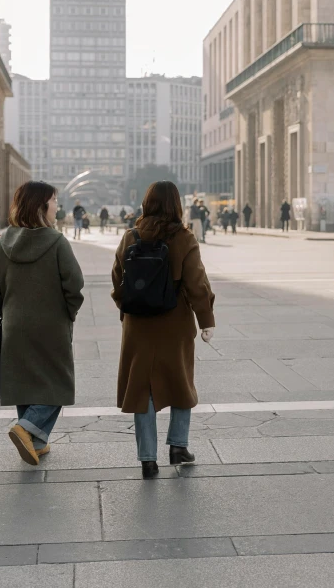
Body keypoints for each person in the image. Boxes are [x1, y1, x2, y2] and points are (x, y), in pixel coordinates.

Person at [111, 181, 215, 479]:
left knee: (142, 388)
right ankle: (178, 447)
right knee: (181, 381)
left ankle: (147, 459)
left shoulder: (130, 236)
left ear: (147, 203)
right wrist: (206, 320)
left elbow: (117, 278)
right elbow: (197, 282)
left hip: (138, 325)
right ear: (176, 205)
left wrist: (128, 306)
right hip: (175, 321)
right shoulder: (184, 237)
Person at [0, 181, 84, 466]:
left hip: (14, 324)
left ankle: (36, 442)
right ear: (42, 206)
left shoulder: (3, 242)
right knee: (58, 383)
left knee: (24, 381)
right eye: (54, 201)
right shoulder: (56, 242)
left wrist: (8, 310)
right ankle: (26, 429)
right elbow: (74, 286)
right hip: (52, 325)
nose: (57, 206)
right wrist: (69, 313)